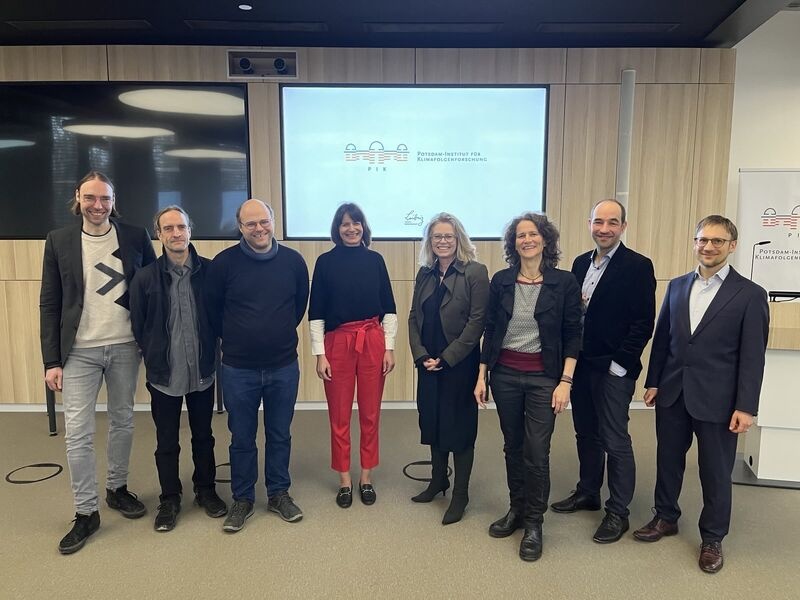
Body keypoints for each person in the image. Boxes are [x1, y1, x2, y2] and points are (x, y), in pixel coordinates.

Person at [633, 215, 769, 574]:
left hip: (719, 400)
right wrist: (653, 381)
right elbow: (663, 339)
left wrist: (746, 406)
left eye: (717, 241)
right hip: (673, 392)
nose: (708, 247)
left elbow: (753, 357)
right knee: (668, 459)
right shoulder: (678, 286)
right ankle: (665, 517)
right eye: (702, 240)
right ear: (695, 243)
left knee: (715, 470)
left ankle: (712, 537)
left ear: (732, 246)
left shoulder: (750, 295)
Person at [40, 170, 156, 554]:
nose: (97, 205)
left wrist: (151, 342)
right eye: (90, 197)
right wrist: (51, 360)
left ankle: (117, 488)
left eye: (105, 198)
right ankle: (85, 511)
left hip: (125, 346)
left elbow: (152, 290)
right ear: (78, 198)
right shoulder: (59, 240)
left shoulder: (135, 236)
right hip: (78, 352)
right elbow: (50, 303)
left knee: (123, 420)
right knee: (78, 433)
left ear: (113, 201)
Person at [474, 212, 582, 562]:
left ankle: (535, 523)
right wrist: (481, 375)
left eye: (533, 234)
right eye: (520, 235)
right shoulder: (502, 280)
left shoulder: (564, 283)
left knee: (536, 451)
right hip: (505, 375)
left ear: (545, 240)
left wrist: (565, 381)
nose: (527, 240)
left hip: (544, 379)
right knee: (513, 446)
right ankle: (517, 510)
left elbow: (573, 334)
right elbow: (491, 329)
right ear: (513, 243)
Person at [550, 199, 656, 544]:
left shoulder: (638, 266)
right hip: (581, 364)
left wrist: (618, 365)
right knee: (586, 433)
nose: (604, 229)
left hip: (613, 369)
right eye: (598, 222)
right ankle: (588, 491)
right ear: (589, 224)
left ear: (623, 226)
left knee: (614, 438)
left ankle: (618, 512)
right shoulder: (581, 263)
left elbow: (643, 323)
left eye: (612, 222)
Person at [205, 199, 309, 532]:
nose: (259, 228)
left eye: (264, 221)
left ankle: (278, 493)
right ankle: (243, 498)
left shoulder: (293, 262)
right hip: (239, 369)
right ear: (240, 227)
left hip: (283, 366)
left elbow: (298, 307)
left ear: (273, 221)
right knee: (242, 437)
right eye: (250, 224)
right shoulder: (223, 264)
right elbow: (213, 312)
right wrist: (241, 337)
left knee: (280, 434)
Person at [129, 206, 227, 532]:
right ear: (159, 234)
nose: (176, 233)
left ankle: (206, 490)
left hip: (202, 370)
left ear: (190, 230)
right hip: (164, 374)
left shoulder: (210, 272)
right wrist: (154, 354)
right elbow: (139, 325)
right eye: (168, 228)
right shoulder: (145, 278)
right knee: (167, 440)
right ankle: (169, 498)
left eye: (181, 227)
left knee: (204, 436)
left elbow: (219, 315)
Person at [308, 203, 397, 508]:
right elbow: (316, 312)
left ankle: (366, 477)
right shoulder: (325, 263)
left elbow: (389, 307)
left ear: (363, 227)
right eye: (345, 224)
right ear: (337, 228)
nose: (351, 228)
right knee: (340, 415)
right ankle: (345, 479)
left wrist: (388, 347)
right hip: (338, 343)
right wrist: (320, 354)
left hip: (372, 340)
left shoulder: (376, 261)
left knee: (371, 413)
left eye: (356, 223)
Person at [408, 213, 489, 524]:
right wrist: (421, 355)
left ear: (459, 239)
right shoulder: (425, 273)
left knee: (460, 429)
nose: (442, 241)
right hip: (428, 364)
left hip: (459, 365)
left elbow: (477, 322)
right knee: (433, 422)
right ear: (430, 241)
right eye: (437, 236)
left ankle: (460, 495)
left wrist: (446, 357)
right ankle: (438, 480)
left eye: (448, 236)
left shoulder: (475, 272)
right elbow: (414, 317)